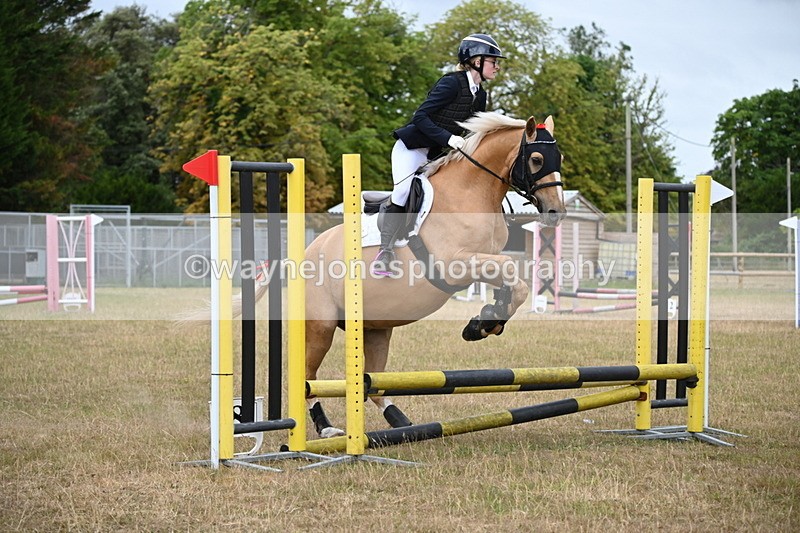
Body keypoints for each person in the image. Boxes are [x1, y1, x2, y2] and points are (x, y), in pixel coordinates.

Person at [371, 33, 505, 277]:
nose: (497, 66)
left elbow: (472, 131)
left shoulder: (480, 95)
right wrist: (448, 139)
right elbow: (420, 117)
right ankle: (385, 252)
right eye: (493, 61)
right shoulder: (451, 83)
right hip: (412, 148)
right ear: (476, 61)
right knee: (402, 191)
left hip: (437, 154)